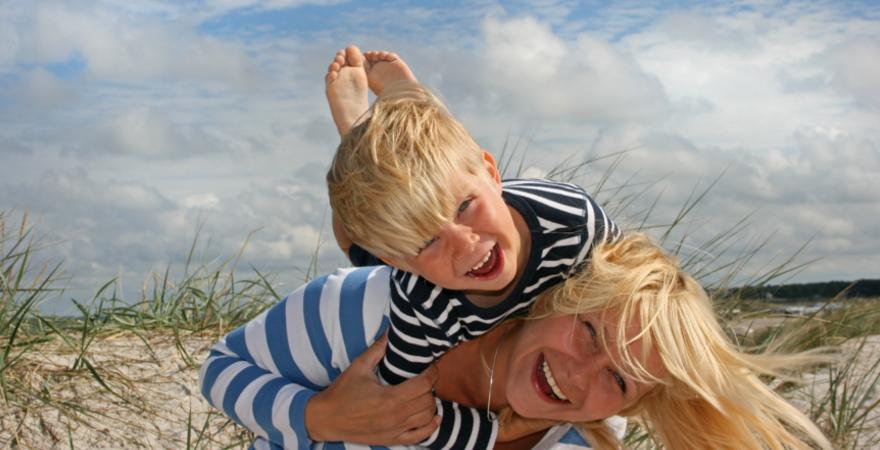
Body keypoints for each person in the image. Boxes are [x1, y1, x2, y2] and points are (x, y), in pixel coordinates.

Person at [199, 233, 832, 450]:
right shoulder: (367, 311)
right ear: (559, 297)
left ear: (627, 408)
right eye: (589, 332)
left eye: (618, 381)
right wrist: (322, 415)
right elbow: (223, 369)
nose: (577, 376)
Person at [320, 45, 620, 448]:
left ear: (494, 173)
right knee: (357, 243)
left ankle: (407, 118)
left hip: (492, 198)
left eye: (465, 208)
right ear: (402, 264)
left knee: (432, 193)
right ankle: (356, 131)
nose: (466, 246)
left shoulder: (575, 223)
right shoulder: (420, 302)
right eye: (430, 242)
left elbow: (640, 282)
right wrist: (502, 432)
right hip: (414, 241)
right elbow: (405, 411)